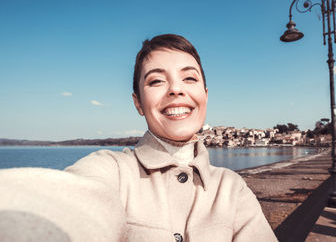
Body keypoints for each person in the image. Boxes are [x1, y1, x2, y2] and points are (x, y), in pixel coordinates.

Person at [0, 34, 277, 242]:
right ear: (138, 103)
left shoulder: (231, 189)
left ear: (205, 94)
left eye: (189, 79)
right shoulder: (110, 170)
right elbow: (65, 205)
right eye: (156, 81)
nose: (176, 90)